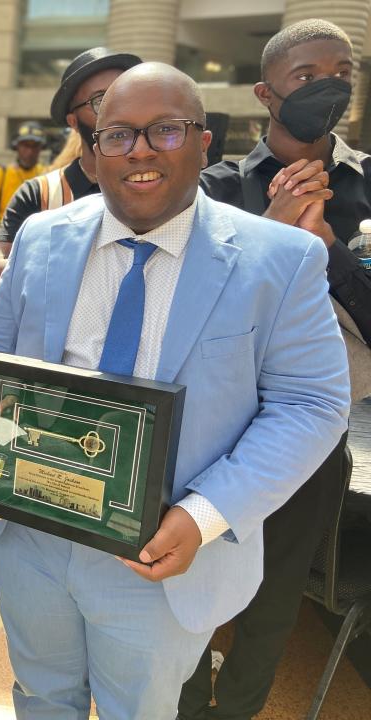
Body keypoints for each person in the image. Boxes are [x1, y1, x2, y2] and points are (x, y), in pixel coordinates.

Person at [0, 63, 350, 719]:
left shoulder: (281, 259)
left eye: (166, 130)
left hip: (161, 549)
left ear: (204, 141)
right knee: (42, 697)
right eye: (119, 134)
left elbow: (314, 403)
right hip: (32, 534)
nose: (141, 150)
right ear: (95, 152)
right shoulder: (43, 238)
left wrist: (205, 513)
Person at [180, 19, 369, 719]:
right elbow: (192, 314)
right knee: (193, 584)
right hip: (211, 435)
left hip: (315, 440)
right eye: (307, 76)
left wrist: (328, 250)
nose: (330, 87)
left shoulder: (367, 184)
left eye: (342, 72)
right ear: (265, 93)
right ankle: (189, 706)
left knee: (273, 602)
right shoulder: (216, 189)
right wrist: (275, 243)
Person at [0, 47, 141, 274]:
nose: (116, 111)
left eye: (123, 96)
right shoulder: (41, 194)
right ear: (73, 121)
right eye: (100, 101)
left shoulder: (153, 183)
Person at [0, 121, 46, 239]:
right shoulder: (1, 174)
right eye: (25, 145)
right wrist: (2, 237)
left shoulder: (46, 175)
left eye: (34, 146)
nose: (30, 151)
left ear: (41, 148)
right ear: (16, 146)